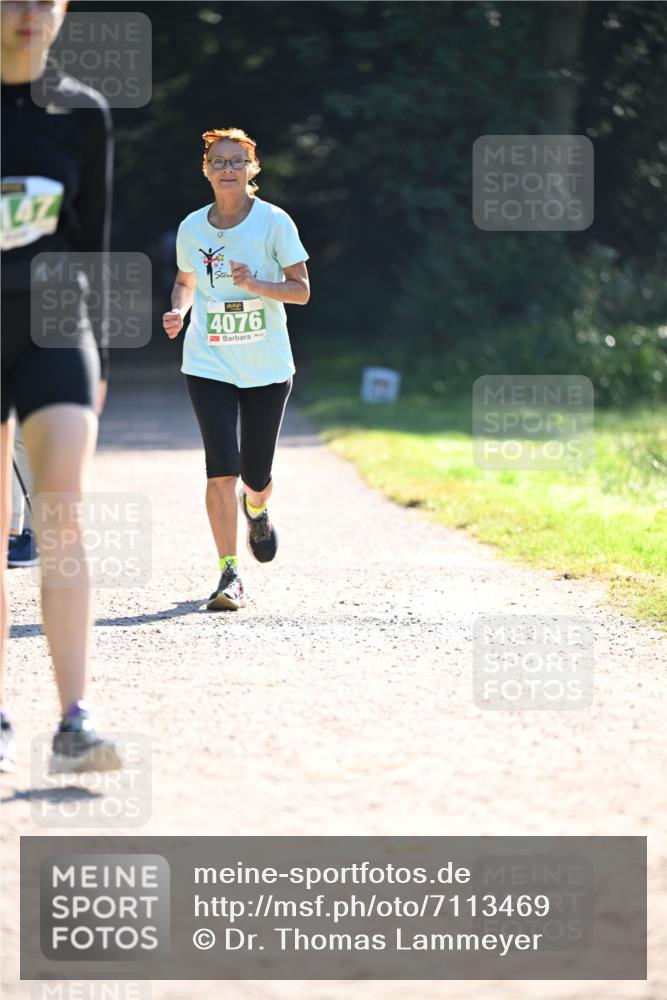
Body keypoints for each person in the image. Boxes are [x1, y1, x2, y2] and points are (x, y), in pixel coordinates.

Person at [0, 0, 120, 772]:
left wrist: (99, 357)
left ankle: (74, 723)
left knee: (63, 517)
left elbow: (94, 245)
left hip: (53, 325)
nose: (29, 13)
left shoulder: (83, 113)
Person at [163, 127, 310, 610]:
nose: (228, 169)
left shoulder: (274, 222)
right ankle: (230, 575)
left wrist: (260, 284)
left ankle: (258, 509)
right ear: (206, 170)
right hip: (208, 361)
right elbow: (185, 280)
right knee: (219, 469)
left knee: (255, 475)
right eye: (219, 161)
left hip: (266, 364)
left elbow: (301, 289)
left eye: (237, 161)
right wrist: (180, 310)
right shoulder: (191, 227)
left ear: (253, 170)